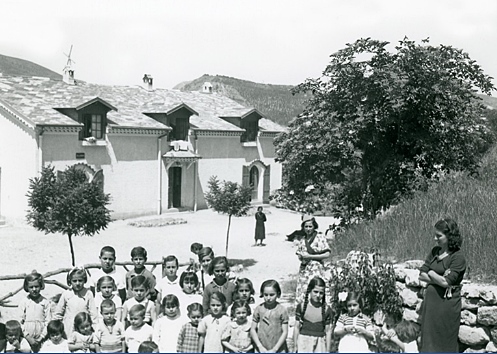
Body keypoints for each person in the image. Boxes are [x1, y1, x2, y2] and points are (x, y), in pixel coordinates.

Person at [418, 218, 466, 352]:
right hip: (431, 305)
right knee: (428, 341)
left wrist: (432, 274)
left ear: (449, 236)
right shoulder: (435, 252)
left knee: (445, 340)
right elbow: (421, 274)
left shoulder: (458, 257)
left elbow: (447, 282)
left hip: (447, 306)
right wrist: (438, 277)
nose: (435, 238)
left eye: (439, 236)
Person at [295, 215, 331, 307]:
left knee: (316, 288)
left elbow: (327, 254)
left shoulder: (320, 237)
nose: (308, 229)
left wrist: (311, 256)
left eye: (310, 226)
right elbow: (299, 255)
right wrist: (302, 257)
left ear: (314, 226)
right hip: (305, 269)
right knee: (304, 290)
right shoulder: (302, 240)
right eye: (306, 226)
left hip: (316, 268)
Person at [53, 267, 98, 334]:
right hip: (69, 327)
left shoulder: (88, 294)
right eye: (74, 281)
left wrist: (95, 330)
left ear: (84, 280)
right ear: (70, 281)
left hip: (84, 327)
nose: (77, 283)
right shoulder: (66, 294)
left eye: (80, 280)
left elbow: (93, 314)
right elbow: (58, 313)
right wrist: (56, 327)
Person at [293, 277, 332, 353]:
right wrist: (295, 346)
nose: (318, 295)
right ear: (310, 291)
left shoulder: (326, 310)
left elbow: (328, 331)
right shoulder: (301, 307)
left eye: (321, 293)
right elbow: (296, 327)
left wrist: (328, 350)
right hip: (303, 343)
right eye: (315, 292)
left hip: (319, 344)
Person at [250, 279, 289, 353]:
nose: (268, 298)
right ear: (262, 294)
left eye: (271, 295)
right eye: (266, 295)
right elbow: (252, 330)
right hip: (261, 347)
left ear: (277, 294)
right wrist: (259, 346)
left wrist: (275, 349)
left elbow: (285, 332)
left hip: (278, 348)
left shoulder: (282, 310)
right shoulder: (259, 309)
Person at [19, 271, 51, 352]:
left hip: (42, 337)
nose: (34, 289)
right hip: (27, 337)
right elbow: (20, 322)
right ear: (27, 287)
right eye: (31, 287)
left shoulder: (45, 302)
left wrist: (41, 337)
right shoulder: (24, 302)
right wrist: (28, 337)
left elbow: (48, 321)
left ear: (41, 286)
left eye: (36, 286)